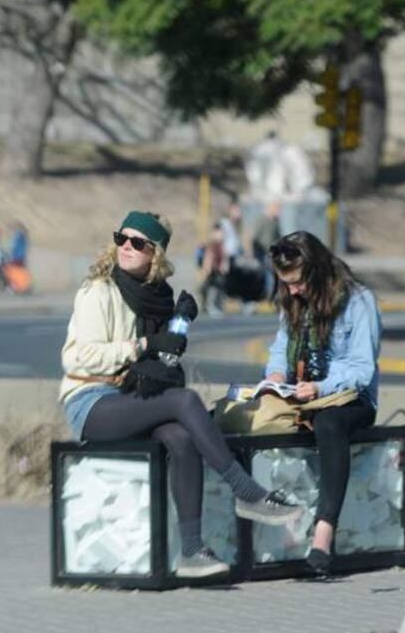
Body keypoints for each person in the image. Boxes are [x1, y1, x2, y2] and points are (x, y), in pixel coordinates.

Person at [59, 210, 303, 579]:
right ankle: (245, 491)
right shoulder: (100, 290)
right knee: (186, 401)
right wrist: (143, 344)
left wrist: (176, 330)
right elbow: (79, 357)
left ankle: (192, 551)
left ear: (155, 253)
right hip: (91, 401)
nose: (126, 247)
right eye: (121, 239)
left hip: (129, 398)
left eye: (137, 243)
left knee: (181, 436)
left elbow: (161, 360)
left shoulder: (157, 298)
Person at [263, 230, 381, 575]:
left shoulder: (359, 301)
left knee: (328, 423)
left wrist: (321, 388)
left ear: (317, 271)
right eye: (286, 284)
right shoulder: (293, 301)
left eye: (298, 282)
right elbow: (280, 347)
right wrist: (275, 376)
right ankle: (279, 529)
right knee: (257, 417)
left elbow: (362, 369)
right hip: (303, 394)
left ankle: (323, 531)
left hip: (349, 399)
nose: (293, 290)